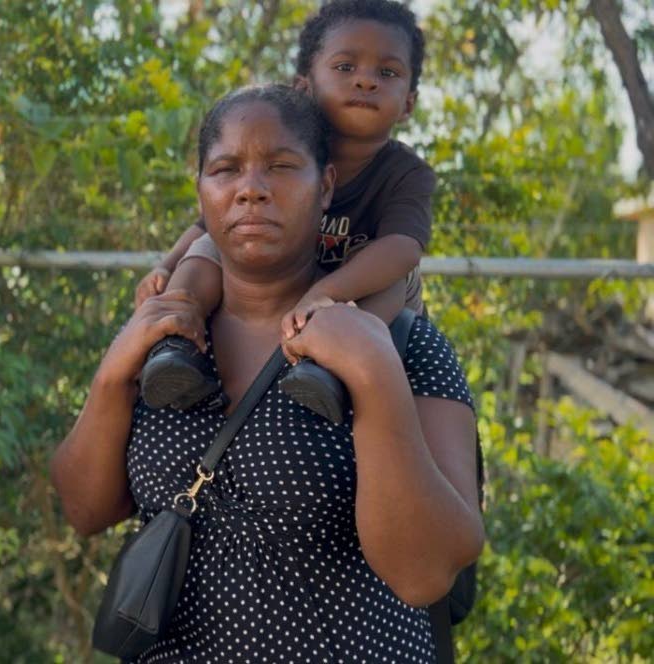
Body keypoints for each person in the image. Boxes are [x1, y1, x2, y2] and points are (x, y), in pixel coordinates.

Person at [51, 85, 483, 662]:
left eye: (280, 167)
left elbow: (426, 572)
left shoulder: (405, 346)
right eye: (225, 169)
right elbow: (85, 512)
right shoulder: (163, 342)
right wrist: (112, 376)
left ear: (325, 185)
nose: (250, 189)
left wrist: (375, 376)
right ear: (201, 193)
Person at [138, 0, 435, 421]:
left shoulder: (406, 173)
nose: (366, 81)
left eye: (386, 73)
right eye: (345, 67)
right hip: (291, 280)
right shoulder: (284, 155)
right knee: (209, 245)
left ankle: (330, 369)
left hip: (356, 294)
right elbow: (207, 223)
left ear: (408, 103)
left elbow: (405, 248)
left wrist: (328, 294)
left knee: (392, 276)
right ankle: (177, 345)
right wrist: (166, 266)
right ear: (304, 87)